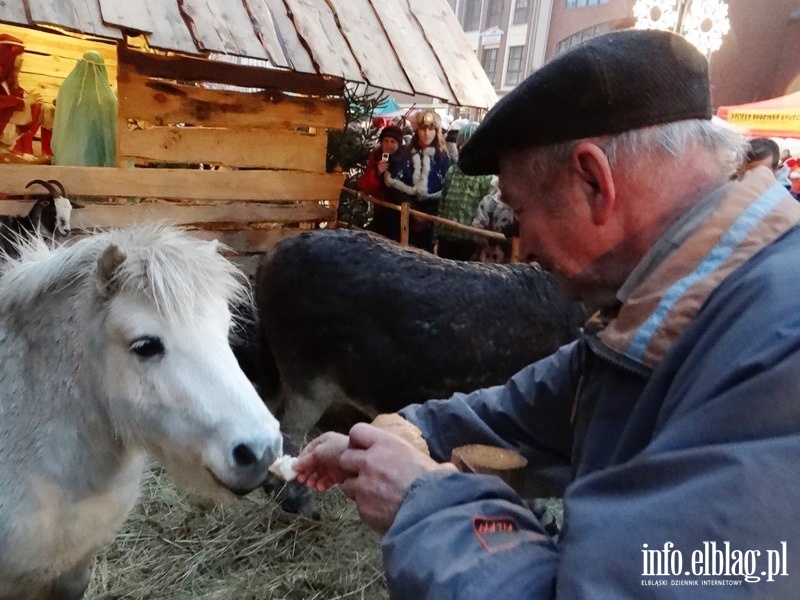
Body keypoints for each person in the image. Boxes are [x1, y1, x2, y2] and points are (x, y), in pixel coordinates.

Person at [295, 28, 800, 598]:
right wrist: (394, 437)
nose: (524, 244)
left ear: (593, 180)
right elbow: (532, 408)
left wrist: (424, 501)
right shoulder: (677, 304)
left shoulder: (782, 351)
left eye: (519, 211)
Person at [385, 109, 451, 251]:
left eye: (431, 129)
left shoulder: (443, 158)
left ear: (437, 131)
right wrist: (414, 214)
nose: (427, 133)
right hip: (404, 218)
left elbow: (445, 190)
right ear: (417, 130)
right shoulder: (404, 155)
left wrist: (427, 217)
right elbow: (394, 186)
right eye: (423, 129)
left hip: (431, 222)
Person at [434, 122, 494, 260]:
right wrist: (436, 238)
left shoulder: (486, 176)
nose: (464, 149)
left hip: (469, 243)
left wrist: (479, 247)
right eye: (461, 145)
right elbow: (442, 205)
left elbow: (486, 214)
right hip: (446, 238)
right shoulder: (452, 171)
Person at [359, 124, 403, 239]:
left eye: (393, 141)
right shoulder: (376, 158)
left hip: (399, 213)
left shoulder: (405, 159)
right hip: (380, 210)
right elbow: (366, 186)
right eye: (386, 141)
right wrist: (377, 172)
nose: (389, 145)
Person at [472, 175, 516, 262]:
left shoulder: (522, 204)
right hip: (487, 255)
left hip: (512, 257)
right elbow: (477, 228)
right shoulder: (488, 201)